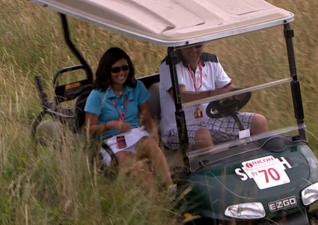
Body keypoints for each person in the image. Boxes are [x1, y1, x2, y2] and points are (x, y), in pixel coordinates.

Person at [84, 47, 172, 187]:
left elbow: (146, 115)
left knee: (151, 145)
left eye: (125, 68)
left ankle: (169, 189)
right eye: (116, 70)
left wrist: (153, 131)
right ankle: (155, 202)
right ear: (107, 71)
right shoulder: (97, 95)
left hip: (134, 134)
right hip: (111, 142)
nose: (121, 73)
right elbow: (89, 129)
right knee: (142, 171)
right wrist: (109, 125)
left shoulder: (136, 87)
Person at [159, 44, 268, 150]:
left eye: (197, 46)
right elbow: (181, 97)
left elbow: (228, 89)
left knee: (259, 121)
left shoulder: (211, 61)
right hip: (178, 127)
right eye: (188, 46)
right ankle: (220, 168)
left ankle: (261, 160)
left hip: (210, 120)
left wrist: (237, 93)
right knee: (203, 136)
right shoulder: (170, 65)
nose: (193, 50)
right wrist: (213, 94)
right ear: (180, 46)